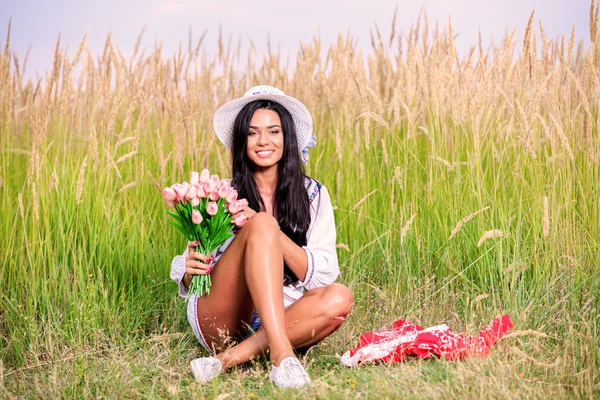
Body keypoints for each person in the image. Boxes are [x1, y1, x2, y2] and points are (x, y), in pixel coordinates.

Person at [169, 85, 353, 389]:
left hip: (284, 312)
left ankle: (225, 361)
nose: (263, 141)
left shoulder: (313, 194)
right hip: (223, 317)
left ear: (287, 138)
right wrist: (189, 271)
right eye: (253, 133)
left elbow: (322, 276)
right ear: (242, 141)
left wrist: (266, 228)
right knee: (263, 225)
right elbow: (194, 278)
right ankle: (281, 356)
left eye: (273, 132)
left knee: (340, 296)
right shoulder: (219, 195)